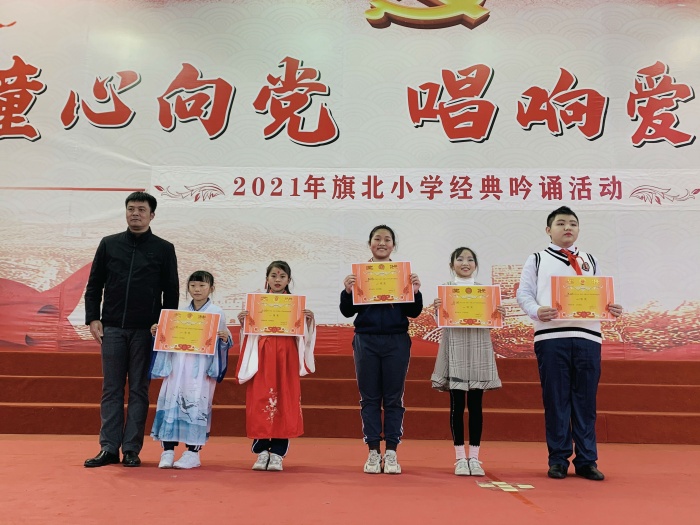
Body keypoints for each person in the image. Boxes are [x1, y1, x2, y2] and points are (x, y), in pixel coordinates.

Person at [516, 206, 623, 481]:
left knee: (586, 401)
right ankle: (558, 460)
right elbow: (524, 293)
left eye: (573, 224)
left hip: (588, 337)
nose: (567, 228)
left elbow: (601, 295)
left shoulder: (590, 260)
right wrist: (537, 310)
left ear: (578, 229)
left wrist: (611, 307)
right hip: (551, 338)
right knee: (556, 400)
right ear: (548, 229)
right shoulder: (537, 259)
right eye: (561, 223)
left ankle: (587, 460)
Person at [84, 191, 179, 468]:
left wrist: (163, 325)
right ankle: (108, 448)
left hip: (145, 332)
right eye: (131, 209)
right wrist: (93, 318)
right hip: (112, 328)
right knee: (111, 389)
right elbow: (94, 285)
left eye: (141, 209)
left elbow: (171, 292)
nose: (135, 213)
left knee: (139, 390)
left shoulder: (163, 248)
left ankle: (131, 449)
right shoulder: (109, 244)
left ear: (152, 215)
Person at [340, 225, 423, 475]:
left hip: (396, 340)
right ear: (370, 244)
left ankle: (392, 451)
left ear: (393, 246)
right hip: (366, 340)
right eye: (377, 239)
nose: (382, 243)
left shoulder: (402, 275)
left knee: (393, 398)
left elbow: (414, 312)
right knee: (370, 398)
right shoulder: (360, 275)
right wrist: (347, 291)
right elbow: (347, 312)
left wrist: (415, 292)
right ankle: (374, 451)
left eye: (387, 239)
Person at [235, 261, 316, 472]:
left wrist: (307, 322)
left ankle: (278, 453)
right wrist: (244, 321)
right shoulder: (257, 304)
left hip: (287, 355)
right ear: (267, 279)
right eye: (273, 276)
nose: (277, 280)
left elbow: (304, 336)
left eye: (282, 276)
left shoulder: (295, 305)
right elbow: (250, 334)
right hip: (263, 354)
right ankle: (261, 450)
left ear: (289, 280)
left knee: (285, 399)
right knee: (261, 398)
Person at [431, 247, 503, 476]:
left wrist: (497, 313)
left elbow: (491, 323)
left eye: (470, 259)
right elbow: (440, 322)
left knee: (476, 405)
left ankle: (475, 457)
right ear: (452, 265)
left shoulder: (485, 292)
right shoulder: (446, 291)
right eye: (460, 259)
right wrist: (437, 310)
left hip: (478, 348)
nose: (465, 263)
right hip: (455, 347)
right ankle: (460, 458)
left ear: (476, 265)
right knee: (456, 404)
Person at [149, 270, 232, 469]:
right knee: (172, 403)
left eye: (202, 285)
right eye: (193, 285)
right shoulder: (178, 314)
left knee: (196, 406)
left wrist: (224, 339)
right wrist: (157, 333)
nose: (197, 289)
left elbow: (225, 340)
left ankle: (192, 453)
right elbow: (167, 341)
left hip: (200, 369)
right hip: (178, 367)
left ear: (211, 288)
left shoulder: (217, 313)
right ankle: (168, 451)